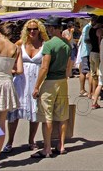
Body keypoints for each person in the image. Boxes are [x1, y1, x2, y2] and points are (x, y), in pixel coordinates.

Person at [3, 19, 49, 153]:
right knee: (14, 113)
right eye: (29, 29)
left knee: (34, 112)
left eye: (35, 29)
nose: (32, 31)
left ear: (40, 30)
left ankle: (31, 140)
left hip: (36, 81)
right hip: (20, 81)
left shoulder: (44, 45)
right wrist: (11, 71)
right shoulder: (20, 44)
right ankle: (10, 141)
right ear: (26, 31)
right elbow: (8, 61)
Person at [31, 16, 72, 158]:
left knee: (46, 116)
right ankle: (61, 145)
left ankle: (47, 148)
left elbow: (44, 67)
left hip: (50, 82)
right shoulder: (67, 44)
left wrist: (36, 86)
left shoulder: (48, 45)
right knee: (62, 115)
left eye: (48, 27)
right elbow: (69, 64)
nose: (47, 29)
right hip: (62, 81)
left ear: (53, 28)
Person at [0, 23, 23, 170]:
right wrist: (10, 69)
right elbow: (20, 70)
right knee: (1, 122)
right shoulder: (16, 49)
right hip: (6, 84)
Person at [76, 16, 95, 97]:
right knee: (88, 72)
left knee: (85, 72)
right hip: (87, 51)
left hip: (85, 51)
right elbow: (86, 40)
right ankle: (86, 91)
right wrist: (95, 40)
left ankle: (84, 90)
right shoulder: (88, 28)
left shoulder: (86, 27)